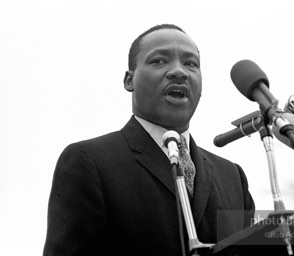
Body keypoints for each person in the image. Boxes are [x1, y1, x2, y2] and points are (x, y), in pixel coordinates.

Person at [43, 23, 255, 256]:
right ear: (129, 80)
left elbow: (257, 248)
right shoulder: (90, 161)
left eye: (191, 63)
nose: (179, 72)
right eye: (159, 61)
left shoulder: (231, 176)